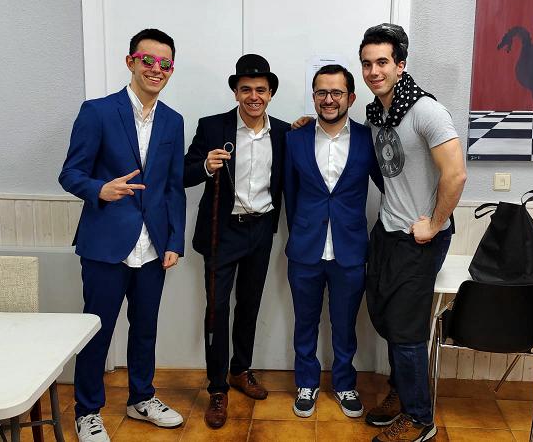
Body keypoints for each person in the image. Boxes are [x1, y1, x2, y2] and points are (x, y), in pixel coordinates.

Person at [59, 28, 186, 442]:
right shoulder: (97, 111)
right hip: (105, 244)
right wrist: (99, 189)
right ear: (131, 61)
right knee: (97, 331)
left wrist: (174, 241)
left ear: (171, 70)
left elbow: (172, 187)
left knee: (145, 328)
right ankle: (87, 411)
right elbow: (70, 173)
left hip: (153, 247)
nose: (156, 69)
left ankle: (141, 398)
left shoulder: (173, 120)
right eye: (148, 60)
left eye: (165, 64)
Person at [359, 23, 467, 442]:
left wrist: (434, 224)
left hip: (420, 237)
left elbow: (455, 174)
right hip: (387, 230)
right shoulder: (377, 112)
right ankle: (402, 392)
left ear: (400, 65)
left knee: (406, 330)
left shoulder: (427, 110)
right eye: (367, 63)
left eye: (382, 62)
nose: (374, 71)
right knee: (386, 317)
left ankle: (420, 419)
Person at [183, 54, 290, 429]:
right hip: (222, 231)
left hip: (261, 231)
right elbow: (182, 173)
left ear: (270, 93)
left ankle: (240, 370)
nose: (253, 96)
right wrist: (204, 167)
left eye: (261, 89)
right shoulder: (212, 127)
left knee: (249, 305)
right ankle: (217, 388)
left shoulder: (285, 132)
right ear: (235, 92)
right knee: (217, 309)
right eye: (246, 89)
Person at [283, 64, 383, 419]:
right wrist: (301, 231)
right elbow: (290, 194)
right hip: (305, 249)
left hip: (350, 250)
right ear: (314, 97)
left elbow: (389, 186)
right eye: (322, 92)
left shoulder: (369, 139)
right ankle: (306, 382)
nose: (329, 99)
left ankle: (344, 384)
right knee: (304, 323)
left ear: (350, 98)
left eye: (336, 92)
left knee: (345, 325)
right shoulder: (294, 138)